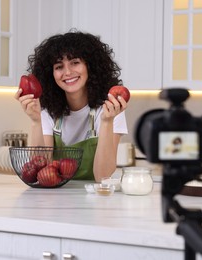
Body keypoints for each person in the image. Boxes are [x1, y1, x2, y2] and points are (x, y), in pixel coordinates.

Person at [15, 30, 128, 182]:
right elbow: (40, 171)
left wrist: (107, 122)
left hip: (95, 197)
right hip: (55, 198)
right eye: (59, 66)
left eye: (75, 63)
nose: (67, 72)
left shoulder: (111, 107)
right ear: (51, 73)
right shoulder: (47, 108)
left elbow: (103, 176)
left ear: (90, 66)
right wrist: (36, 121)